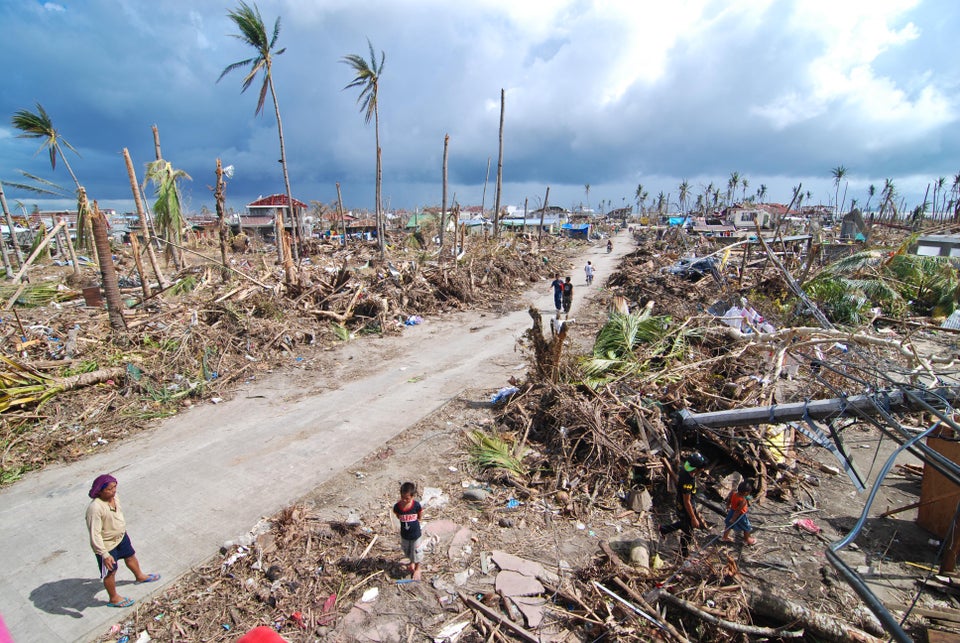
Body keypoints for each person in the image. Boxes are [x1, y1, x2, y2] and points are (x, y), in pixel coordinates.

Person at [85, 474, 159, 608]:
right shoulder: (95, 508)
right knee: (110, 572)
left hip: (121, 537)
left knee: (130, 556)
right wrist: (104, 554)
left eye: (115, 487)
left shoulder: (114, 497)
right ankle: (113, 598)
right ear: (100, 491)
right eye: (110, 489)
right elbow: (94, 535)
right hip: (107, 545)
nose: (113, 491)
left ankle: (140, 576)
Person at [659, 452, 708, 557]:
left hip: (681, 505)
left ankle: (663, 529)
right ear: (696, 469)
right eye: (702, 468)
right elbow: (687, 501)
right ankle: (683, 554)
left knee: (684, 524)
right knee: (688, 532)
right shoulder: (688, 482)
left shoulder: (684, 470)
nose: (703, 470)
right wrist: (693, 517)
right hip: (685, 508)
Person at [393, 481, 424, 580]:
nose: (405, 500)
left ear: (412, 496)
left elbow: (419, 514)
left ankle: (418, 568)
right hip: (405, 534)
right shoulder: (398, 507)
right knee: (407, 550)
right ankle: (412, 562)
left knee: (416, 551)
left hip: (415, 534)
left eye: (407, 498)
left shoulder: (416, 505)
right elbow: (398, 515)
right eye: (403, 498)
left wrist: (417, 520)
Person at [721, 480, 757, 545]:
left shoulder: (733, 493)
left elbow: (729, 499)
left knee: (728, 525)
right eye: (749, 492)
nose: (749, 494)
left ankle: (725, 537)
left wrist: (728, 506)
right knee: (747, 527)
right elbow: (738, 511)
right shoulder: (743, 501)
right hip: (740, 515)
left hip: (731, 511)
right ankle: (747, 539)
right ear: (746, 493)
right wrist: (733, 519)